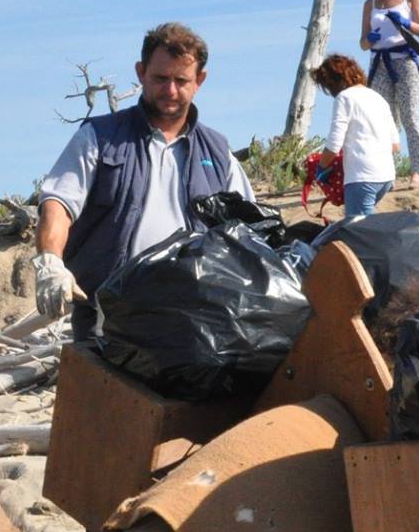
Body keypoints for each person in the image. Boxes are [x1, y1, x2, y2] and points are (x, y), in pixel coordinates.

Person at [34, 22, 256, 340]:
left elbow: (246, 234)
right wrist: (50, 262)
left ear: (200, 81)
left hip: (193, 324)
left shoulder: (218, 153)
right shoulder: (99, 138)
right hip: (108, 320)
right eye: (160, 78)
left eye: (181, 81)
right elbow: (58, 204)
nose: (170, 91)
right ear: (140, 73)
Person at [358, 0, 419, 188]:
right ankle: (386, 171)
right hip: (379, 62)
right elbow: (363, 43)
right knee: (382, 118)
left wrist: (407, 23)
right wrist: (370, 37)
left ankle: (416, 171)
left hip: (404, 59)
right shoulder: (371, 4)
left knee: (410, 115)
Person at [311, 53, 401, 220]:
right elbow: (395, 145)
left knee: (359, 232)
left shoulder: (345, 98)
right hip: (386, 176)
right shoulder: (378, 98)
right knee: (366, 225)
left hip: (362, 177)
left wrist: (321, 168)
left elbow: (334, 142)